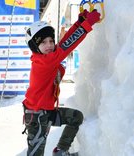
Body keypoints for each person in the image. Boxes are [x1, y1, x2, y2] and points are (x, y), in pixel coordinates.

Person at [22, 9, 101, 156]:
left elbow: (63, 44)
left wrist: (79, 24)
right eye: (43, 42)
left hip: (48, 111)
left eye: (51, 40)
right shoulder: (44, 62)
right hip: (37, 116)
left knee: (75, 117)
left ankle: (60, 150)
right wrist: (87, 24)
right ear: (34, 47)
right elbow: (67, 46)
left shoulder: (49, 56)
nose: (49, 45)